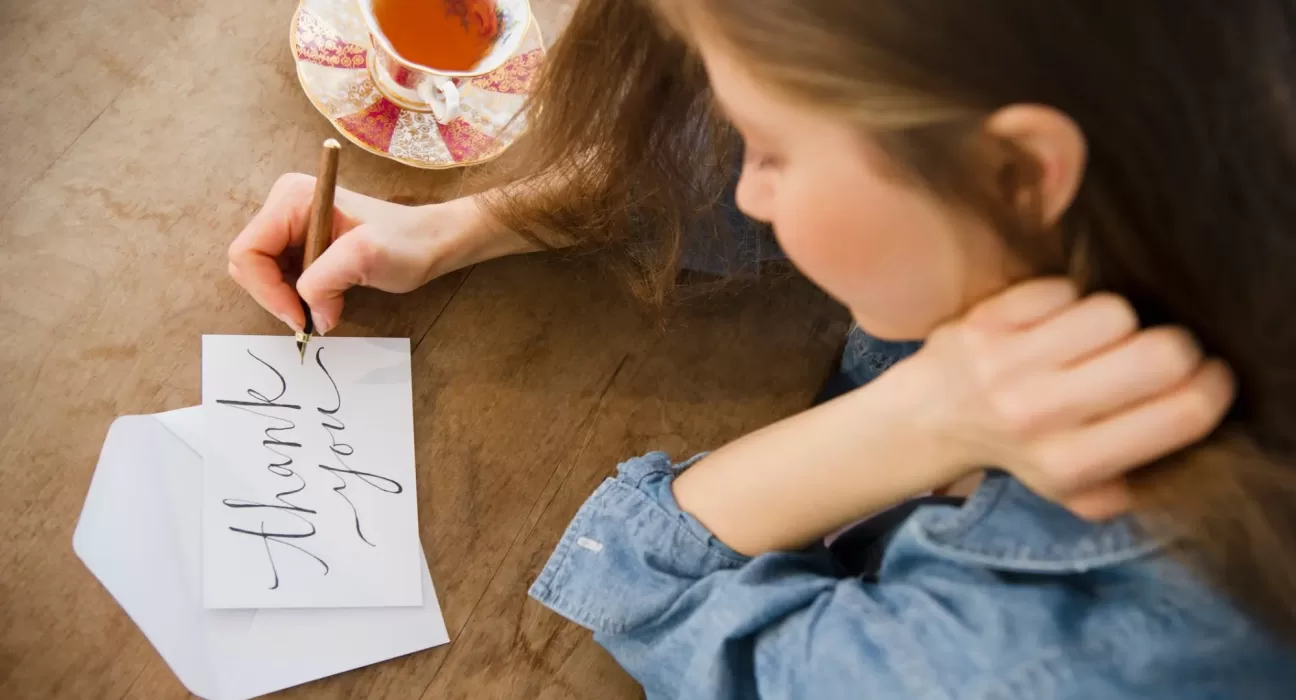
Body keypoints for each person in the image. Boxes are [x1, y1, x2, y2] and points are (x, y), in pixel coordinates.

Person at [228, 0, 1296, 696]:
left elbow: (662, 601)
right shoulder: (1194, 116)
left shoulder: (1066, 659)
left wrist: (921, 415)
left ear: (1017, 173)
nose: (748, 188)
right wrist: (473, 223)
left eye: (775, 151)